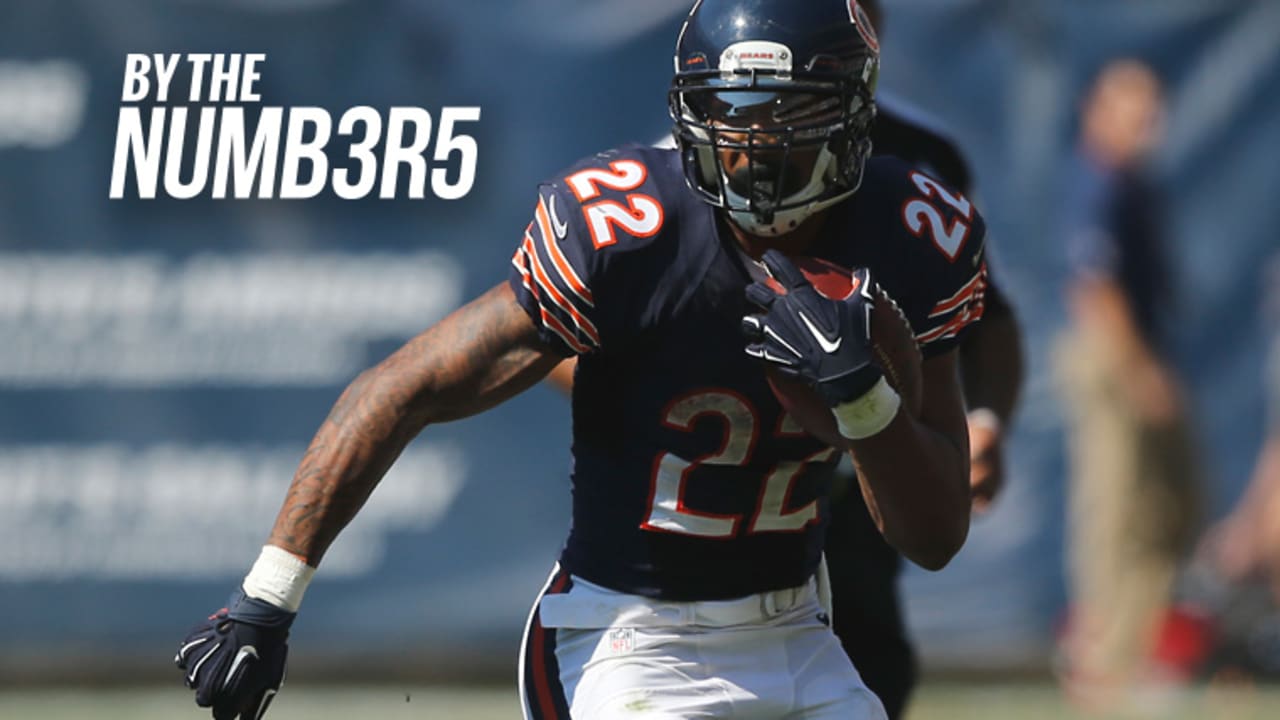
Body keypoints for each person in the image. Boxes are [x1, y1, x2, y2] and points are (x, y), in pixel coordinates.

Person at [175, 2, 989, 718]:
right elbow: (404, 387)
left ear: (849, 118)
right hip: (628, 640)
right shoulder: (633, 234)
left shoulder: (910, 235)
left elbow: (934, 534)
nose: (753, 150)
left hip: (799, 631)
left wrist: (863, 403)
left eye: (786, 119)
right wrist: (266, 598)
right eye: (731, 118)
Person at [544, 2, 1025, 716]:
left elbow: (987, 317)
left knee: (871, 653)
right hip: (720, 500)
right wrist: (702, 383)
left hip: (856, 466)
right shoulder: (683, 172)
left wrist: (976, 419)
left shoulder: (926, 166)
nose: (761, 140)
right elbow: (563, 338)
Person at [1054, 58, 1202, 705]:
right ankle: (1103, 660)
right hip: (1114, 360)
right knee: (1116, 513)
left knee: (1174, 509)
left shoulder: (1135, 183)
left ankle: (1136, 649)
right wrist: (1139, 372)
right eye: (1133, 110)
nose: (1148, 124)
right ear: (1098, 112)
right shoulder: (1099, 182)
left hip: (1145, 354)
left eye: (1152, 110)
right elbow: (1094, 287)